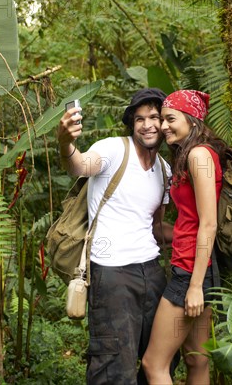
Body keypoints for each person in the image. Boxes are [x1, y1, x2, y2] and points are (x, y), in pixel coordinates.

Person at [57, 88, 174, 385]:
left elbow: (156, 227)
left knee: (159, 361)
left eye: (154, 117)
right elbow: (80, 165)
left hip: (151, 271)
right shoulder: (112, 149)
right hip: (111, 274)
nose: (147, 124)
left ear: (164, 123)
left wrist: (202, 235)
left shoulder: (165, 169)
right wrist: (66, 141)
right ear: (132, 124)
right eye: (139, 119)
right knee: (113, 368)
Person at [142, 89, 230, 385]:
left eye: (170, 119)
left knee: (154, 364)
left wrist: (194, 287)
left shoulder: (199, 155)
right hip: (195, 268)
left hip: (191, 272)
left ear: (192, 120)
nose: (163, 126)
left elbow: (208, 224)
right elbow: (190, 222)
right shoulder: (192, 155)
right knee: (196, 358)